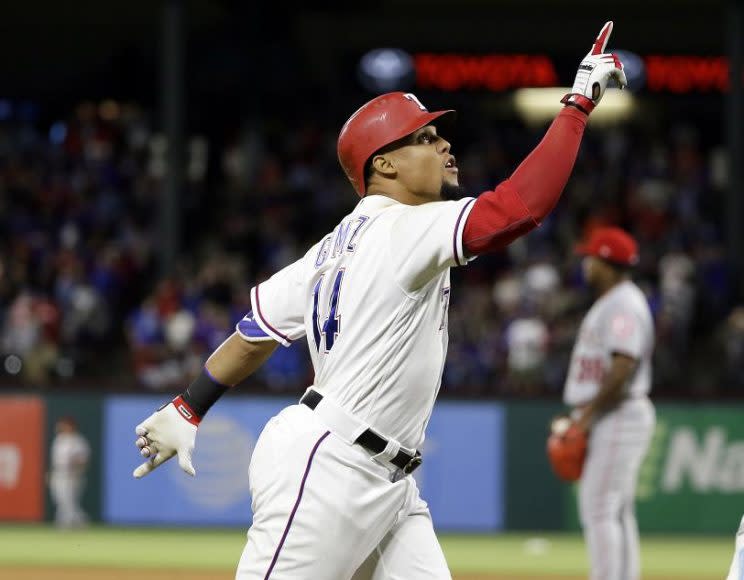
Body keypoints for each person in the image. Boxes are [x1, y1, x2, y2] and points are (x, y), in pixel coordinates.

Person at [132, 22, 627, 579]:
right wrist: (578, 105)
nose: (443, 144)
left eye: (439, 134)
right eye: (424, 137)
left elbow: (253, 334)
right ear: (383, 165)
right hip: (330, 467)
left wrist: (189, 405)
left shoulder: (327, 250)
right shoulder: (403, 229)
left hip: (388, 484)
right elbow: (519, 208)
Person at [563, 226, 655, 580]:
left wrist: (586, 416)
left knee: (599, 507)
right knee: (616, 510)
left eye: (591, 258)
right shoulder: (615, 301)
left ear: (607, 263)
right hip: (612, 413)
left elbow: (622, 367)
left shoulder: (623, 304)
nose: (586, 263)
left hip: (617, 413)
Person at [49, 416, 90, 528]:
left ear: (72, 426)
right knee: (61, 501)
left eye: (65, 425)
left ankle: (77, 523)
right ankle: (69, 524)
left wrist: (77, 470)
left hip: (73, 476)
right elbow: (55, 460)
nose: (62, 427)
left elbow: (83, 460)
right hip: (58, 474)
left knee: (69, 503)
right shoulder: (59, 440)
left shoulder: (78, 441)